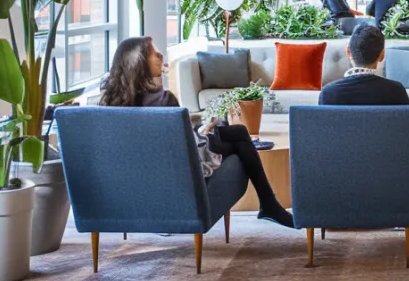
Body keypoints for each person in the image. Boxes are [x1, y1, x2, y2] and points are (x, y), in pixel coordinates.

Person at [98, 37, 294, 228]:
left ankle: (269, 204)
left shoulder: (109, 104)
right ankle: (269, 204)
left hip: (133, 180)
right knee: (239, 137)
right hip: (179, 173)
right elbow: (185, 152)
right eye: (153, 52)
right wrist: (204, 132)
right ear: (139, 62)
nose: (160, 55)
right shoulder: (164, 101)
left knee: (237, 131)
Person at [320, 24, 409, 228]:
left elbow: (325, 144)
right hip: (387, 184)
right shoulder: (394, 91)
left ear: (349, 52)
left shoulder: (329, 93)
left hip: (342, 185)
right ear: (382, 55)